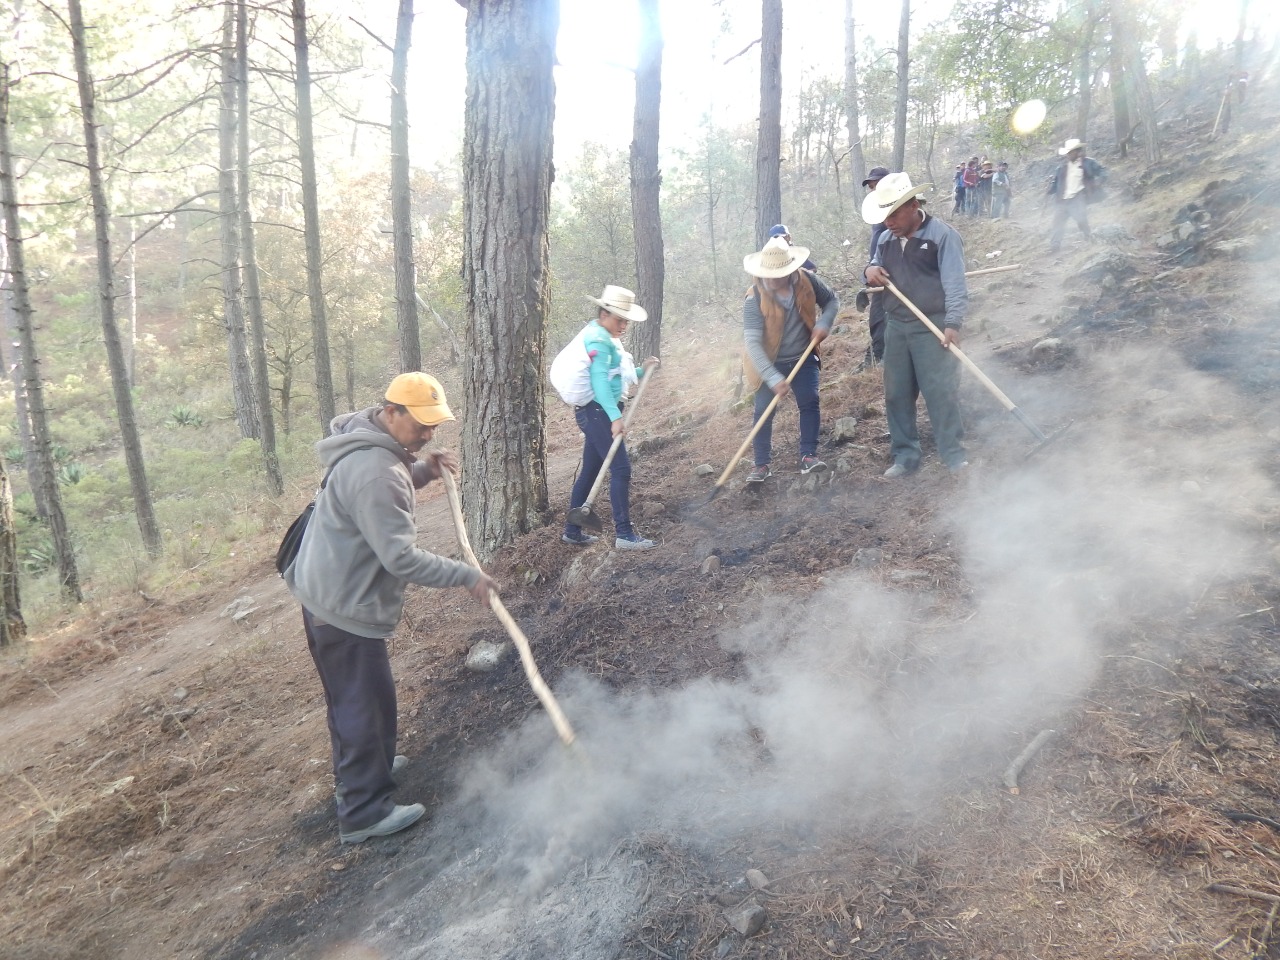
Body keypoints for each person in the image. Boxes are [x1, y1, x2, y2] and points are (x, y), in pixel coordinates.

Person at [283, 373, 499, 844]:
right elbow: (399, 557)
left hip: (325, 592)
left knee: (354, 701)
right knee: (365, 705)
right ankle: (363, 811)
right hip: (344, 606)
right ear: (392, 411)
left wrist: (422, 469)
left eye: (434, 426)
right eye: (420, 425)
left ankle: (367, 768)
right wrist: (467, 576)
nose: (428, 434)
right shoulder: (377, 471)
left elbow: (372, 499)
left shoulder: (368, 444)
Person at [862, 173, 969, 477]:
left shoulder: (942, 236)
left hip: (932, 324)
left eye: (894, 214)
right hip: (896, 324)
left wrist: (953, 322)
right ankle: (905, 456)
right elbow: (870, 269)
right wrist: (870, 270)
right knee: (896, 393)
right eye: (884, 216)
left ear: (912, 205)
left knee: (940, 390)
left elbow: (955, 283)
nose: (888, 223)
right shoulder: (884, 240)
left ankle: (953, 454)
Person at [556, 285, 658, 550]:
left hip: (596, 412)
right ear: (603, 314)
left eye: (626, 320)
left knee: (590, 470)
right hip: (598, 412)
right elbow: (599, 381)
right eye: (619, 319)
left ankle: (572, 531)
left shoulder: (604, 335)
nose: (623, 325)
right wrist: (615, 417)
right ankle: (624, 534)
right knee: (621, 469)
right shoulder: (599, 340)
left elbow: (613, 375)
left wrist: (641, 369)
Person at [742, 236, 840, 483]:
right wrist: (773, 377)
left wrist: (824, 323)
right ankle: (761, 465)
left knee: (810, 401)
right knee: (763, 411)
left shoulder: (807, 281)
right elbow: (752, 343)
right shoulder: (754, 296)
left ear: (791, 269)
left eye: (779, 274)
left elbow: (831, 301)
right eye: (769, 274)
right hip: (768, 361)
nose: (773, 279)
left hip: (803, 355)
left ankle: (809, 456)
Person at [1046, 138, 1106, 253]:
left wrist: (1100, 181)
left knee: (1081, 220)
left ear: (1077, 151)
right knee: (1057, 223)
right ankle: (1055, 245)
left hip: (1078, 198)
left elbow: (1103, 171)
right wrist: (1050, 189)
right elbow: (1056, 183)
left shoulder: (1088, 163)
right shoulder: (1062, 167)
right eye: (1067, 153)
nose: (1068, 155)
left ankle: (1089, 238)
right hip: (1062, 200)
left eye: (1070, 152)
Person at [862, 165, 891, 364]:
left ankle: (883, 357)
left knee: (885, 317)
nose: (874, 190)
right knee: (877, 318)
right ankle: (877, 355)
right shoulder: (876, 210)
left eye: (877, 185)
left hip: (891, 275)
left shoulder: (894, 211)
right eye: (871, 187)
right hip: (877, 271)